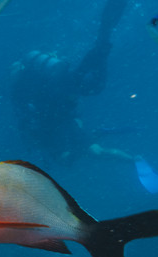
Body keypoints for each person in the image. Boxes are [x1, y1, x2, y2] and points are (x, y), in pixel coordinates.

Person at [9, 0, 132, 164]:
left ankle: (102, 42)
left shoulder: (44, 127)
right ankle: (103, 41)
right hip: (62, 87)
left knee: (93, 85)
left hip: (59, 91)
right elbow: (72, 120)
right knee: (94, 86)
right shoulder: (51, 124)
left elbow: (63, 143)